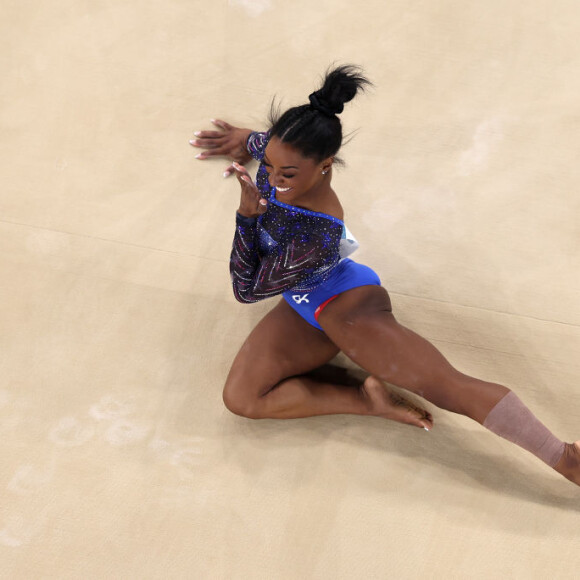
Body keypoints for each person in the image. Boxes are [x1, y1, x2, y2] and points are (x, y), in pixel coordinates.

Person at [191, 65, 580, 486]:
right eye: (268, 165)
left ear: (324, 166)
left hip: (342, 307)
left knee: (446, 386)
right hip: (298, 302)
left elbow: (246, 289)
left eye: (287, 174)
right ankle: (366, 400)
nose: (273, 179)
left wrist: (247, 219)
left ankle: (564, 458)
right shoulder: (279, 156)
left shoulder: (319, 231)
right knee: (242, 399)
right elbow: (267, 144)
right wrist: (245, 140)